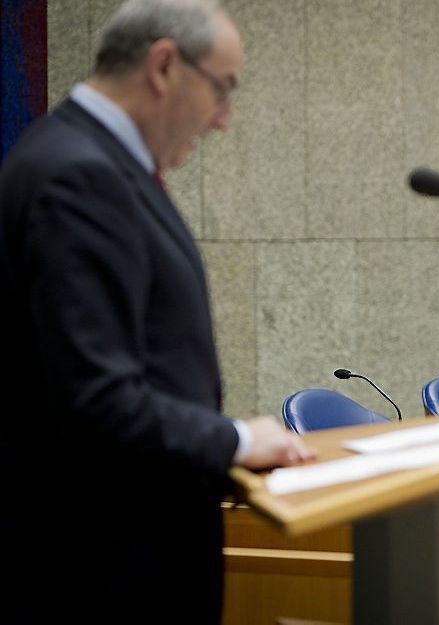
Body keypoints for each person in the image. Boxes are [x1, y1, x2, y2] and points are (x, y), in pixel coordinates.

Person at [0, 1, 314, 622]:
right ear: (165, 65)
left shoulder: (85, 159)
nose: (224, 119)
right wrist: (237, 438)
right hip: (103, 569)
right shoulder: (77, 175)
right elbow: (95, 401)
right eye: (222, 89)